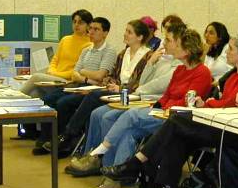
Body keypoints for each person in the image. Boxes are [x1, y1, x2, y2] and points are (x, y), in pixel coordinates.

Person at [102, 32, 238, 188]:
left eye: (231, 49)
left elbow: (231, 104)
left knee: (175, 122)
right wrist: (207, 103)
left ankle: (137, 163)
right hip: (218, 123)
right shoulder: (233, 76)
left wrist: (210, 103)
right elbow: (223, 104)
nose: (227, 52)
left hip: (233, 131)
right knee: (177, 137)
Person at [67, 26, 212, 188]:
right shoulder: (180, 70)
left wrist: (163, 106)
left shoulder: (202, 72)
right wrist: (158, 106)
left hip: (176, 119)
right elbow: (167, 95)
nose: (167, 44)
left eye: (175, 43)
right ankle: (112, 180)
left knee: (130, 114)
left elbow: (188, 102)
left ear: (187, 51)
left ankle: (98, 153)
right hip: (162, 112)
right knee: (127, 133)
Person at [37, 19, 151, 156]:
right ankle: (57, 139)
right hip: (112, 90)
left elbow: (140, 82)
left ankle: (68, 136)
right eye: (126, 31)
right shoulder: (123, 54)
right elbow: (112, 75)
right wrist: (110, 82)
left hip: (128, 94)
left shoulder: (148, 56)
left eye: (129, 32)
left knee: (88, 97)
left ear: (140, 37)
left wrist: (118, 87)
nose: (125, 34)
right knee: (51, 97)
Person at [31, 17, 116, 155]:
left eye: (96, 29)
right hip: (79, 84)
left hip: (94, 89)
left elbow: (100, 75)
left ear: (105, 33)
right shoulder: (86, 50)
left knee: (64, 103)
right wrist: (86, 77)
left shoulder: (109, 51)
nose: (91, 32)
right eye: (91, 28)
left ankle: (64, 143)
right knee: (48, 100)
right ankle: (47, 138)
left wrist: (83, 73)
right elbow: (75, 73)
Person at [20, 9, 93, 97]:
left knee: (36, 77)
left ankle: (11, 98)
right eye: (74, 22)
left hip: (69, 82)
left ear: (88, 25)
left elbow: (78, 71)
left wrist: (56, 74)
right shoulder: (65, 40)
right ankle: (14, 103)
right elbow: (55, 60)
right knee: (35, 93)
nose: (76, 25)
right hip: (55, 79)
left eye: (80, 22)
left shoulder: (89, 45)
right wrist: (51, 71)